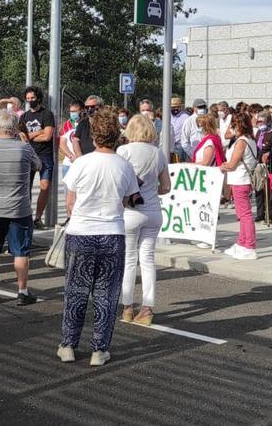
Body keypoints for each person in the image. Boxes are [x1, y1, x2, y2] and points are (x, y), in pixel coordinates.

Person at [58, 108, 139, 367]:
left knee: (76, 291)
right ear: (117, 136)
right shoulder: (124, 166)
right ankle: (99, 349)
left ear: (93, 137)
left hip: (81, 232)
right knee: (106, 293)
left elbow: (70, 203)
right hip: (112, 233)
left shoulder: (81, 163)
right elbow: (127, 200)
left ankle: (68, 345)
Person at [0, 112, 38, 306]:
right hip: (18, 207)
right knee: (21, 252)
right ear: (16, 128)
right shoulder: (25, 149)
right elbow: (38, 164)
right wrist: (25, 142)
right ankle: (22, 291)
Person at [117, 114, 171, 325]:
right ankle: (147, 308)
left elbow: (119, 182)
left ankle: (128, 307)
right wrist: (148, 191)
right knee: (148, 260)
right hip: (153, 211)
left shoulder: (124, 151)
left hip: (130, 212)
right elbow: (166, 187)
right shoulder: (158, 154)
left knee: (129, 260)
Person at [220, 112, 260, 260]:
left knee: (245, 215)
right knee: (242, 214)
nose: (231, 128)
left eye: (233, 125)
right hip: (241, 180)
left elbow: (232, 164)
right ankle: (242, 242)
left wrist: (224, 166)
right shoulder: (248, 139)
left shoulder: (242, 141)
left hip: (240, 180)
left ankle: (249, 245)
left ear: (239, 125)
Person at [20, 86, 57, 229]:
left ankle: (37, 218)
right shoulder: (24, 116)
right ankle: (26, 216)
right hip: (29, 154)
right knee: (26, 187)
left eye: (32, 98)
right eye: (28, 99)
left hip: (45, 155)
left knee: (45, 186)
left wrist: (31, 136)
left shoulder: (47, 115)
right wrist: (38, 132)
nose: (30, 101)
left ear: (38, 98)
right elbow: (23, 137)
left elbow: (47, 137)